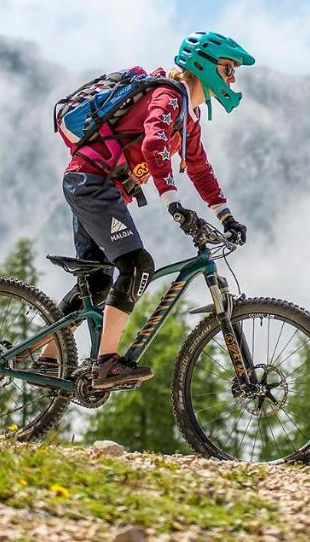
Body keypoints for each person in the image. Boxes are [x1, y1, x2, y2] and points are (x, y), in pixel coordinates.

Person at [36, 31, 254, 388]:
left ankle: (47, 359)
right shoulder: (168, 96)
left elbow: (199, 167)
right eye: (228, 69)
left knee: (99, 281)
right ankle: (106, 363)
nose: (232, 79)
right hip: (92, 184)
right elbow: (154, 143)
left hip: (93, 186)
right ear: (205, 65)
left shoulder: (188, 116)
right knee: (137, 265)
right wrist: (172, 202)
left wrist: (226, 216)